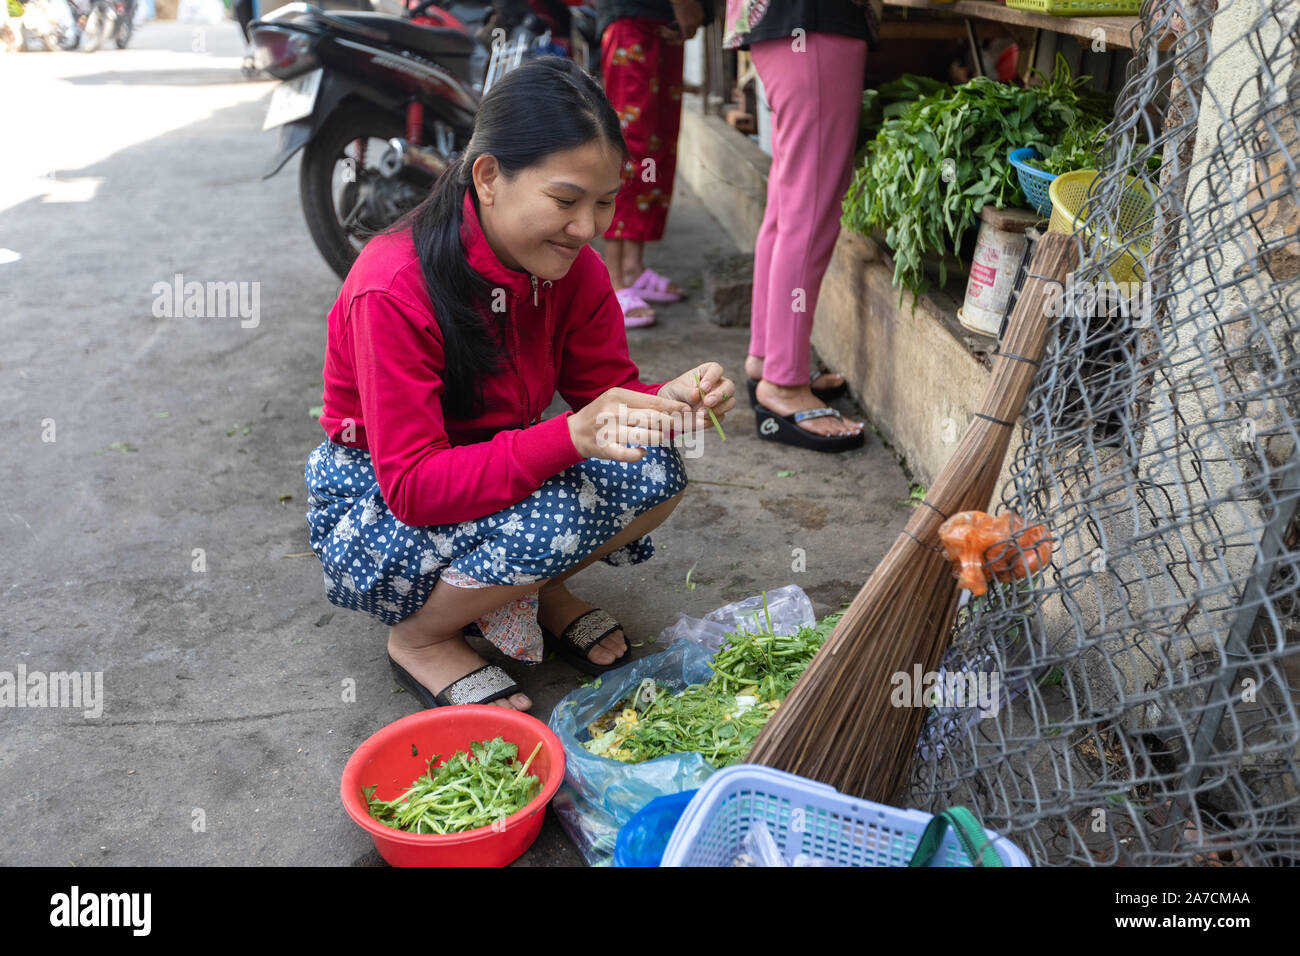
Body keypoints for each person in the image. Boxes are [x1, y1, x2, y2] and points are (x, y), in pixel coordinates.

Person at [304, 57, 737, 713]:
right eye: (565, 201)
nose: (588, 229)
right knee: (559, 507)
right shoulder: (391, 286)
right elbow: (415, 485)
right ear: (488, 177)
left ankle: (530, 591)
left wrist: (668, 402)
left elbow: (607, 394)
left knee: (654, 465)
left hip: (490, 464)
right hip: (378, 501)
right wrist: (567, 437)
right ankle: (421, 638)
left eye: (603, 204)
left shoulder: (573, 270)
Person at [724, 0, 879, 452]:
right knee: (809, 208)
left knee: (790, 200)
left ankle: (768, 361)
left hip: (784, 20)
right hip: (811, 19)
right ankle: (784, 385)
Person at [595, 0, 715, 327]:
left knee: (656, 148)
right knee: (630, 145)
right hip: (631, 19)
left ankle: (633, 267)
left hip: (663, 20)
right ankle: (614, 280)